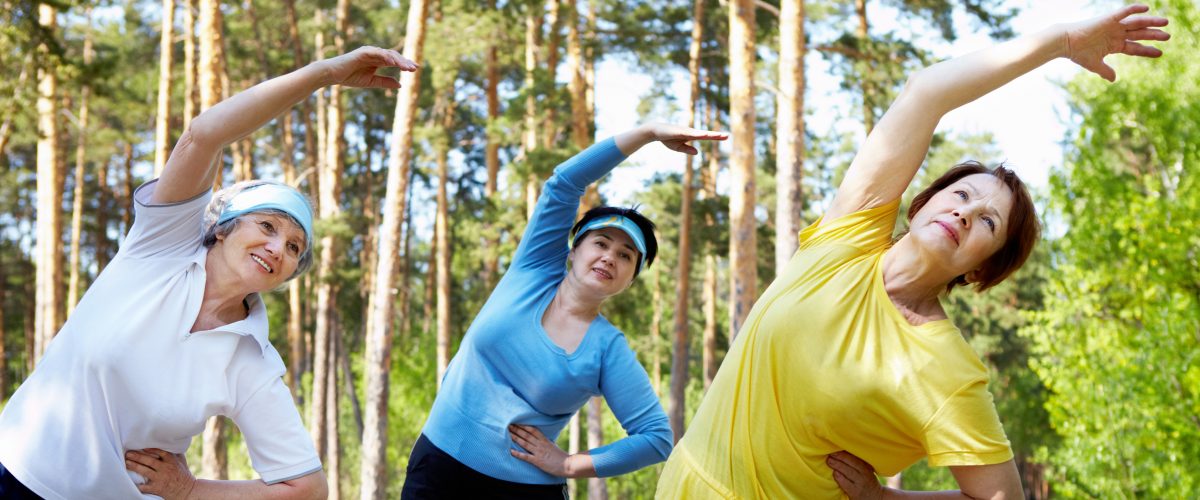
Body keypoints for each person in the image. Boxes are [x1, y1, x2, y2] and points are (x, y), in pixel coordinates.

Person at [655, 5, 1169, 499]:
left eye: (988, 221)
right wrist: (1059, 42)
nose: (967, 213)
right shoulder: (847, 240)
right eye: (962, 195)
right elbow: (925, 91)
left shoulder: (946, 368)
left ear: (985, 265)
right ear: (923, 203)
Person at [0, 46, 417, 499]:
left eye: (294, 246)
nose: (278, 247)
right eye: (268, 226)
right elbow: (204, 135)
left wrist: (191, 490)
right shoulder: (161, 249)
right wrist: (322, 74)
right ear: (222, 229)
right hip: (12, 467)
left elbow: (309, 489)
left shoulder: (252, 362)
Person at [400, 124, 728, 499]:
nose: (609, 256)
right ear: (573, 251)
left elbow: (656, 439)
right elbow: (564, 182)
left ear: (629, 280)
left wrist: (570, 464)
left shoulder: (607, 348)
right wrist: (648, 134)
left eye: (626, 256)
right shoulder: (534, 269)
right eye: (601, 242)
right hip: (438, 469)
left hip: (524, 489)